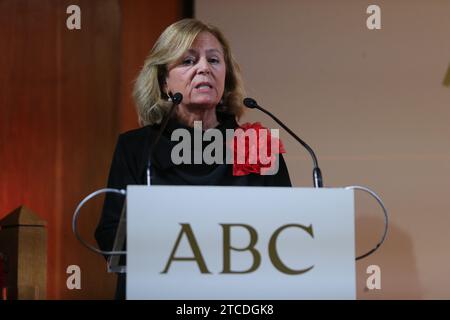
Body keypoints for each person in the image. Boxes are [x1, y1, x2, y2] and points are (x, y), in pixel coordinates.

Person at [95, 18, 292, 299]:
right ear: (164, 81)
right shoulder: (137, 148)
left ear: (227, 76)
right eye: (188, 61)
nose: (204, 68)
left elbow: (288, 231)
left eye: (214, 60)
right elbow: (110, 235)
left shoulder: (257, 145)